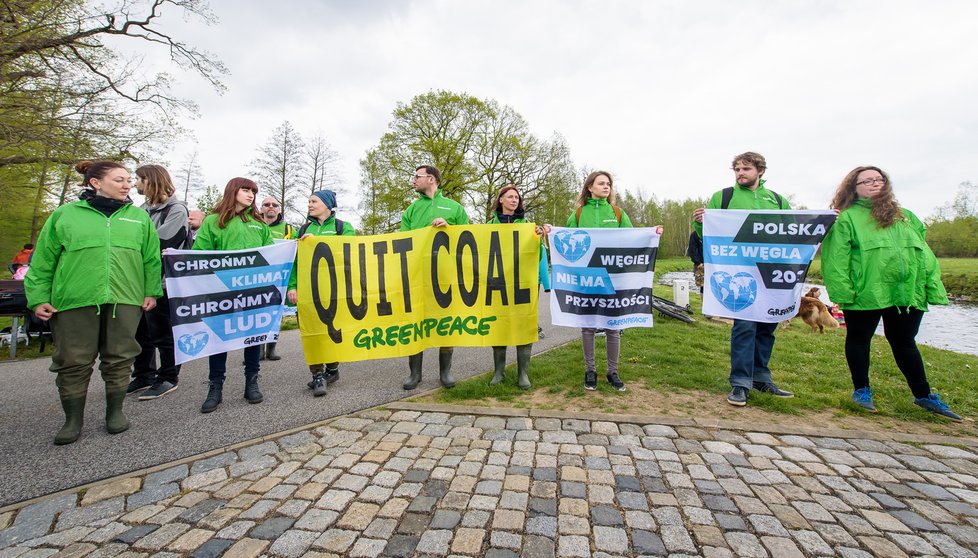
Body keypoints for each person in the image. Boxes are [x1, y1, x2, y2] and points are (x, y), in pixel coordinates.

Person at [25, 160, 162, 445]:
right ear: (95, 183)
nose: (127, 185)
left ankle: (115, 412)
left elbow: (151, 258)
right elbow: (43, 261)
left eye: (128, 180)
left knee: (121, 356)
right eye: (119, 180)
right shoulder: (65, 215)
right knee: (73, 360)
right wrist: (38, 297)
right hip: (75, 299)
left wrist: (150, 291)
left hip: (125, 297)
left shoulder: (138, 218)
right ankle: (72, 419)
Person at [821, 166, 960, 420]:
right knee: (859, 339)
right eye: (866, 181)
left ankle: (924, 395)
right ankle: (861, 391)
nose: (875, 183)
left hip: (905, 293)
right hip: (866, 291)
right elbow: (835, 258)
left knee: (905, 342)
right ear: (854, 187)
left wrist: (930, 285)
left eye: (879, 179)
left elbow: (924, 253)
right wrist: (843, 292)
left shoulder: (905, 216)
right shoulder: (846, 219)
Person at [693, 151, 794, 407]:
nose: (740, 173)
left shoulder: (778, 201)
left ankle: (761, 377)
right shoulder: (723, 197)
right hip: (739, 272)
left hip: (770, 272)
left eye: (746, 169)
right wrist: (700, 223)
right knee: (745, 326)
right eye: (737, 169)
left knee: (767, 326)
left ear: (760, 171)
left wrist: (822, 223)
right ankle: (740, 383)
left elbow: (793, 231)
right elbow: (709, 235)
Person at [192, 178, 273, 413]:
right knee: (220, 338)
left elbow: (272, 254)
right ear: (232, 191)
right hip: (221, 292)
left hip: (252, 292)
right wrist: (178, 257)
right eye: (246, 190)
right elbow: (200, 254)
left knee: (253, 336)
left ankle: (251, 382)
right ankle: (215, 387)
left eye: (253, 192)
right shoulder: (212, 222)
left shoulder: (259, 224)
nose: (250, 195)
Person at [566, 171, 636, 392]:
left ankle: (613, 371)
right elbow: (565, 241)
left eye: (609, 184)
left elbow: (632, 240)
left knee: (612, 326)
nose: (606, 187)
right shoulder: (577, 215)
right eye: (601, 183)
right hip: (587, 278)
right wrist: (550, 232)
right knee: (588, 326)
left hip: (613, 276)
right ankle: (590, 370)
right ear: (590, 187)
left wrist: (653, 234)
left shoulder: (617, 213)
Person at [401, 165, 470, 390]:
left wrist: (449, 227)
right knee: (415, 322)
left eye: (417, 176)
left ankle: (445, 373)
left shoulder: (455, 207)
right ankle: (415, 374)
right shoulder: (410, 210)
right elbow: (404, 241)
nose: (413, 180)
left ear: (431, 179)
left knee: (446, 322)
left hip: (446, 275)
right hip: (418, 276)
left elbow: (468, 238)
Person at [286, 190, 355, 396]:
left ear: (327, 204)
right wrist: (292, 286)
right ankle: (317, 375)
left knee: (332, 333)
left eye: (314, 201)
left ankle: (332, 370)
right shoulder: (303, 229)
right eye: (308, 201)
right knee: (311, 333)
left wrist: (316, 242)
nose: (309, 204)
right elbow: (295, 262)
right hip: (308, 292)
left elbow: (350, 251)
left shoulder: (343, 227)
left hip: (335, 291)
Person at [131, 164, 190, 401]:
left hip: (165, 282)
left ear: (150, 180)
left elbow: (162, 242)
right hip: (138, 281)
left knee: (163, 332)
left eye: (138, 179)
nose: (135, 184)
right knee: (140, 333)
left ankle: (168, 376)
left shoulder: (176, 210)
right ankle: (143, 374)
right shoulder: (140, 210)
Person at [487, 185, 550, 389]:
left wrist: (538, 240)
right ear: (501, 200)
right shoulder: (488, 226)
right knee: (499, 326)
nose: (514, 200)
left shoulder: (529, 227)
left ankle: (523, 373)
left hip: (524, 283)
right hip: (497, 284)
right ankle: (499, 372)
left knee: (524, 324)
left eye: (517, 197)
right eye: (510, 196)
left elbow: (538, 257)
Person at [256, 196, 292, 361]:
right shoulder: (253, 225)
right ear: (261, 208)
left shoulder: (289, 229)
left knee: (275, 314)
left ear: (279, 209)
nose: (270, 207)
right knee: (255, 314)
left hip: (278, 278)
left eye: (274, 205)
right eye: (266, 204)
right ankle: (257, 350)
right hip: (255, 277)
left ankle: (271, 348)